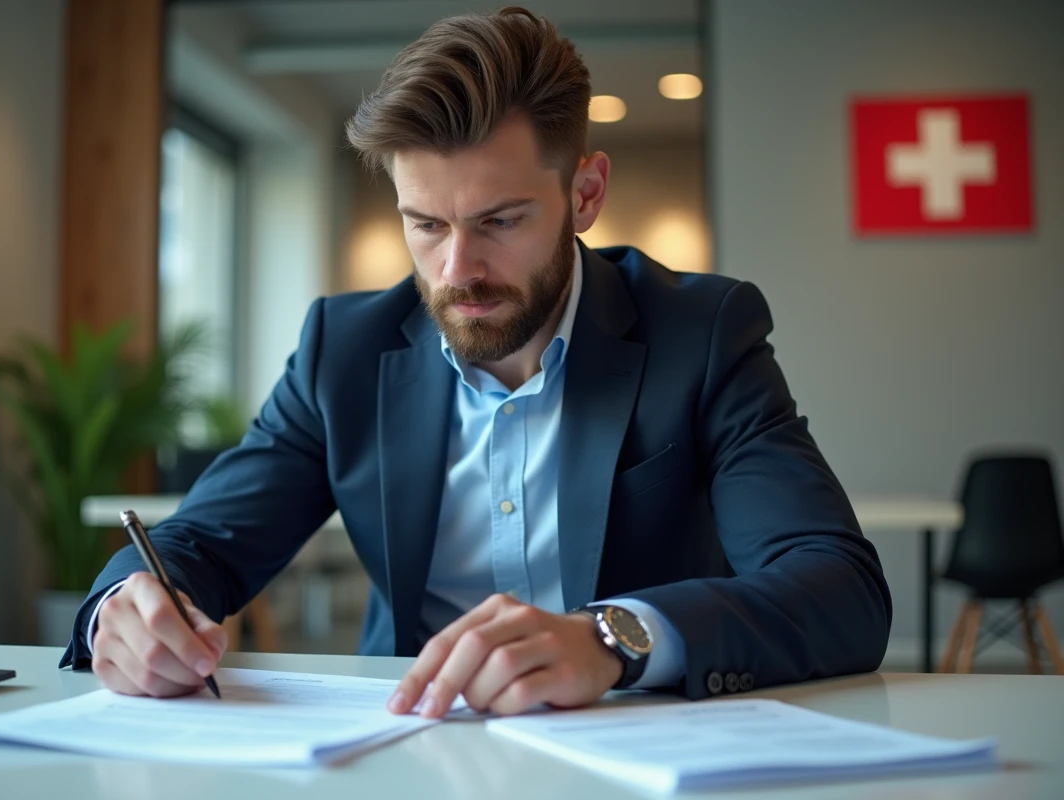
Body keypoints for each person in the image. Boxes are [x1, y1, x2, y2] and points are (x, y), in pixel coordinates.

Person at [62, 6, 891, 717]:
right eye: (426, 225)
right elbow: (203, 542)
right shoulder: (342, 352)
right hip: (404, 744)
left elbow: (837, 586)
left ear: (585, 195)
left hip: (631, 740)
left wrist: (612, 638)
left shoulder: (700, 335)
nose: (457, 270)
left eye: (500, 221)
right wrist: (123, 610)